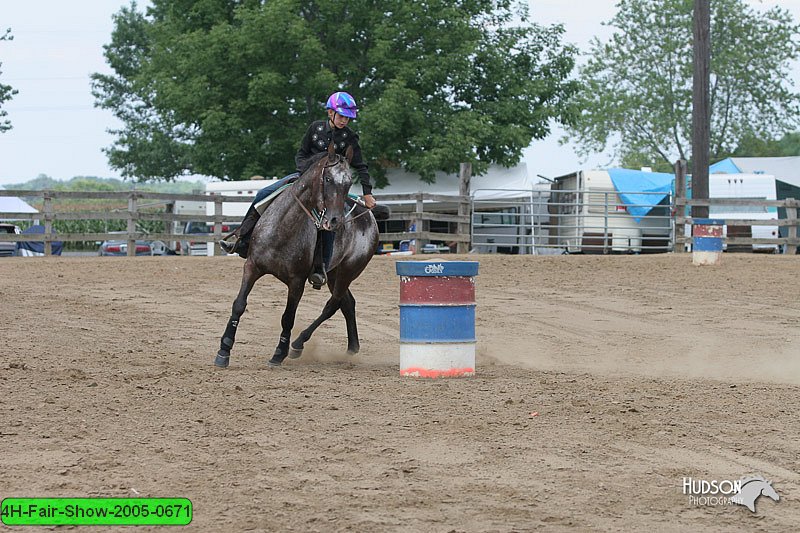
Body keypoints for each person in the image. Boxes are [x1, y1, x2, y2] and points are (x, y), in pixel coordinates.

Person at [219, 91, 377, 289]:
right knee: (263, 194)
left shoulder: (349, 137)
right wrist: (305, 174)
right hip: (303, 178)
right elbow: (301, 154)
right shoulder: (315, 129)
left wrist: (367, 192)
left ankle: (321, 268)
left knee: (329, 222)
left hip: (330, 189)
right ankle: (242, 239)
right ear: (330, 113)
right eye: (342, 116)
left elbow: (361, 166)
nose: (345, 120)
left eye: (348, 117)